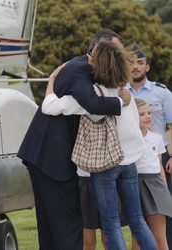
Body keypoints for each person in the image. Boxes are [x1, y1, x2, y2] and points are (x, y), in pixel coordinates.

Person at [17, 29, 131, 250]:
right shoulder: (79, 70)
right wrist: (120, 101)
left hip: (42, 154)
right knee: (68, 223)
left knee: (52, 225)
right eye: (116, 52)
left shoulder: (84, 70)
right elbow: (94, 106)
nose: (119, 57)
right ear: (99, 50)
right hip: (52, 158)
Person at [41, 40, 158, 250]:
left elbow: (50, 107)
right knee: (137, 220)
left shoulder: (91, 94)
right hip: (130, 162)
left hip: (105, 163)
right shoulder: (125, 91)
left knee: (111, 224)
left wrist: (51, 81)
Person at [127, 44, 172, 248]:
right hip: (133, 161)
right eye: (131, 63)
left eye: (140, 63)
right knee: (138, 223)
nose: (136, 67)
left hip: (161, 158)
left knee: (162, 217)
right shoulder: (121, 93)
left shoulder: (161, 93)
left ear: (147, 67)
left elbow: (170, 125)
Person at [131, 98, 172, 250]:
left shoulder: (157, 138)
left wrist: (164, 190)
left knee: (160, 237)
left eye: (149, 113)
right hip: (136, 185)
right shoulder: (130, 139)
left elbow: (159, 165)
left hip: (156, 187)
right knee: (137, 238)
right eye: (142, 114)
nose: (147, 116)